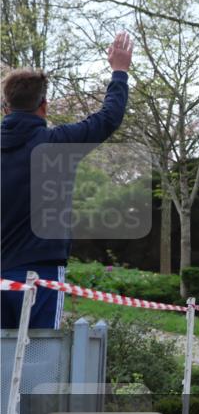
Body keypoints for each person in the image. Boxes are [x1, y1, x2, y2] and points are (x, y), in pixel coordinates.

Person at [1, 32, 133, 330]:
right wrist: (119, 72)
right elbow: (108, 118)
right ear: (44, 106)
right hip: (42, 275)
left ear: (5, 107)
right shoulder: (58, 145)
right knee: (40, 359)